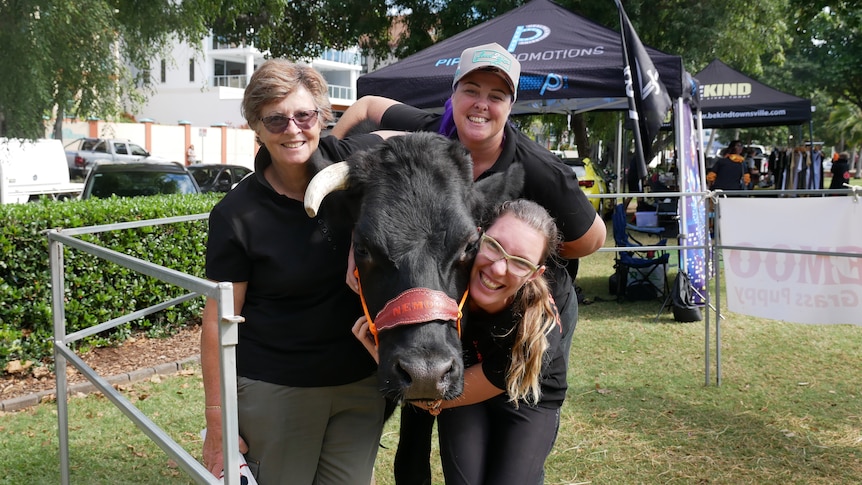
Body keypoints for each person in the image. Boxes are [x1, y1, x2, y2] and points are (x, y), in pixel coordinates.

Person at [333, 42, 606, 485]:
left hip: (527, 316)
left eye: (496, 96)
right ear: (453, 95)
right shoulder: (431, 131)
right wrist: (355, 222)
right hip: (461, 310)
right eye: (471, 90)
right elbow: (365, 104)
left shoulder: (539, 169)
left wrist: (518, 265)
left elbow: (593, 240)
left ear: (510, 106)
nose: (481, 104)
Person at [200, 58, 400, 484]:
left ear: (322, 117)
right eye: (275, 120)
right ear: (255, 126)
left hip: (360, 385)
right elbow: (218, 322)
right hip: (278, 391)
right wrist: (218, 421)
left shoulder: (357, 164)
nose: (292, 129)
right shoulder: (237, 215)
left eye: (304, 115)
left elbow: (430, 134)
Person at [354, 199, 566, 484]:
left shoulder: (537, 327)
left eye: (519, 262)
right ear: (477, 236)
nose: (498, 268)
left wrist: (379, 355)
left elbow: (433, 400)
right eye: (494, 246)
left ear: (535, 274)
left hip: (526, 395)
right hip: (464, 383)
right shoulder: (445, 281)